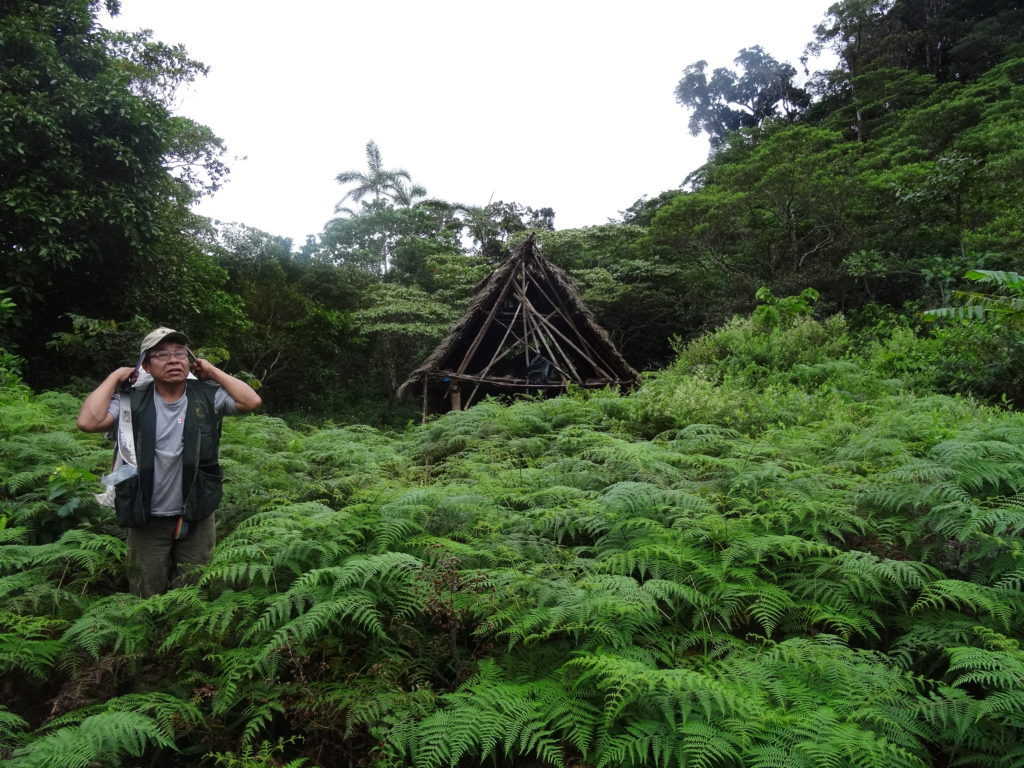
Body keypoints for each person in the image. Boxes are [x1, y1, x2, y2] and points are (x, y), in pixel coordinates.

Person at [77, 328, 262, 597]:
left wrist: (213, 372)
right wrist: (115, 377)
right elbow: (87, 422)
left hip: (197, 512)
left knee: (191, 592)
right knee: (145, 592)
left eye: (180, 353)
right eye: (161, 354)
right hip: (146, 515)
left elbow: (251, 400)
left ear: (189, 362)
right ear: (146, 366)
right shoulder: (131, 401)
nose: (173, 360)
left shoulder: (208, 396)